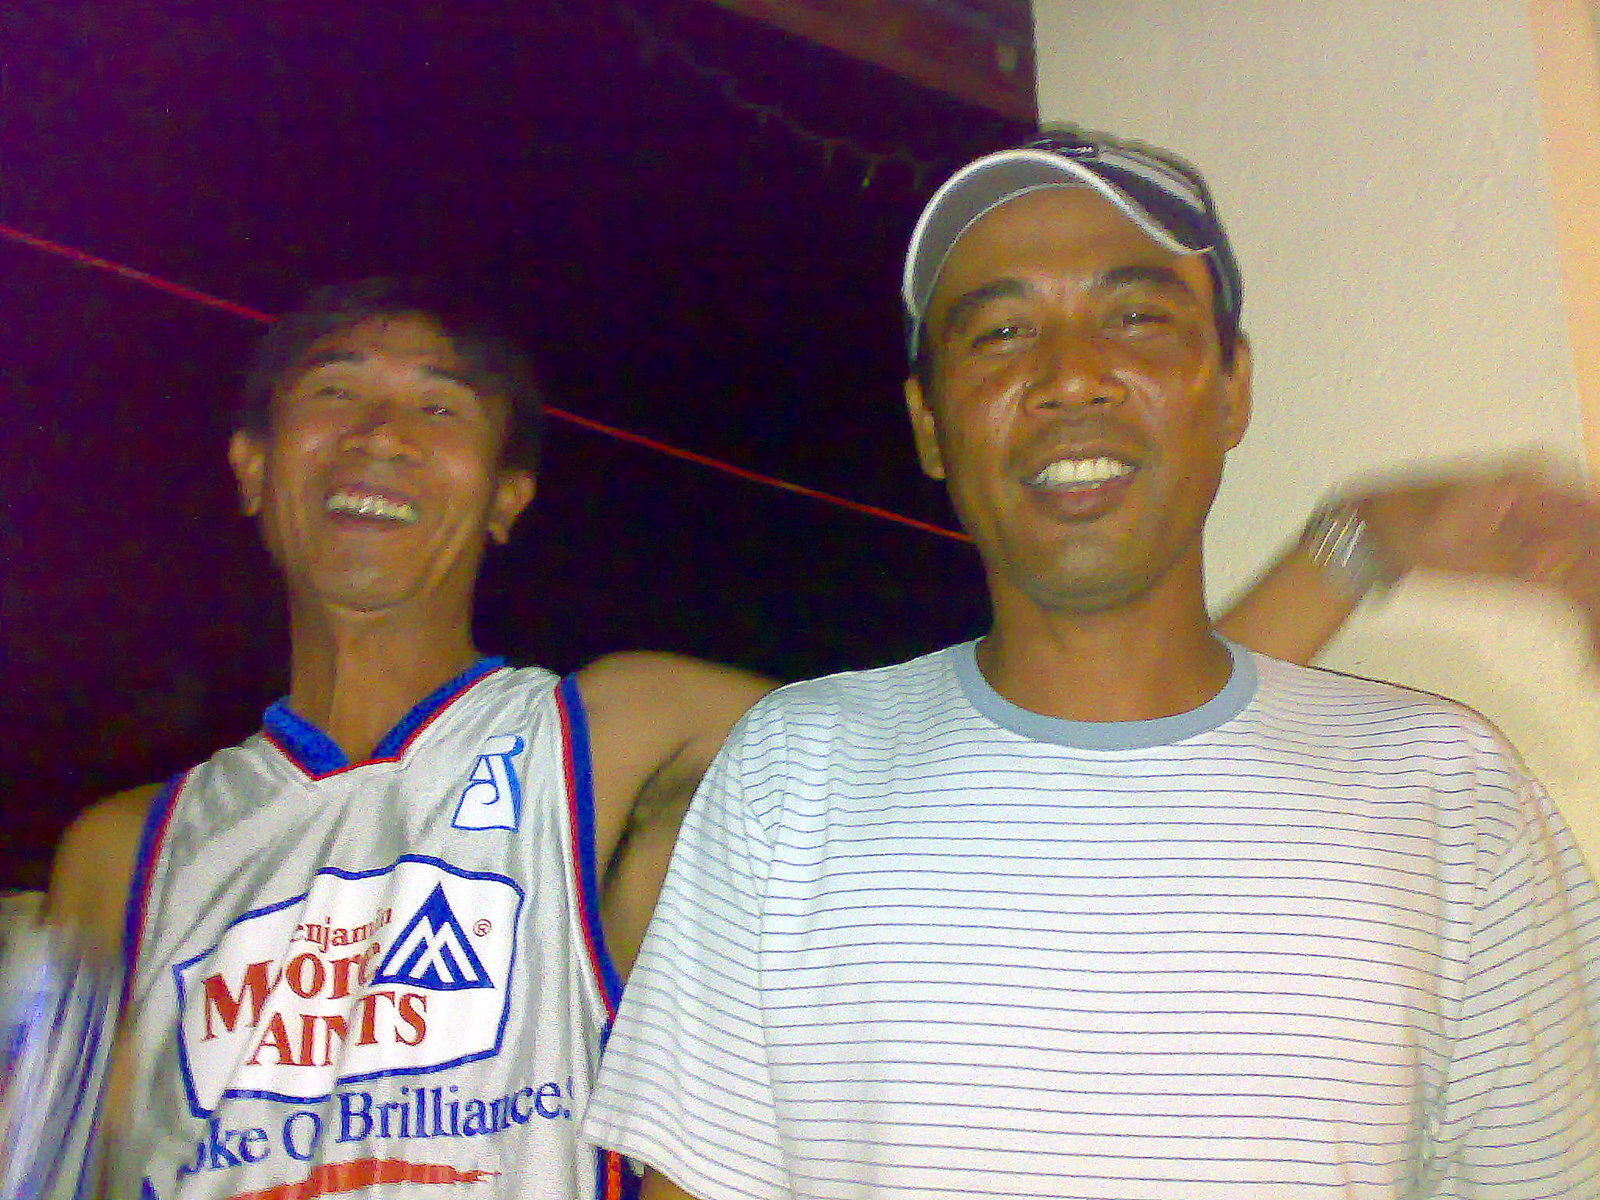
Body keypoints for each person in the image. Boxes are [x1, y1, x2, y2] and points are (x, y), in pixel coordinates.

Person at [579, 131, 1600, 1199]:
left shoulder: (1447, 791)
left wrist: (1365, 538)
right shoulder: (792, 777)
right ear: (929, 426)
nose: (1069, 375)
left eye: (1136, 317)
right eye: (1001, 332)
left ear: (1232, 388)